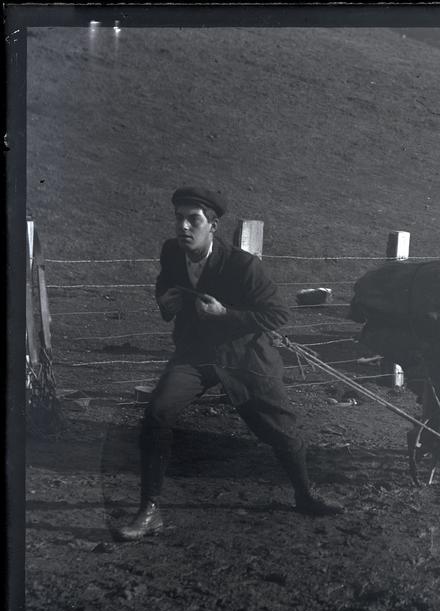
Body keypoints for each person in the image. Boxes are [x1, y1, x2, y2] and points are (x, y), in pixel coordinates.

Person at [112, 186, 340, 542]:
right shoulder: (172, 252)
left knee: (282, 431)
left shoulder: (242, 265)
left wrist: (225, 314)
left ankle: (305, 494)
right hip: (195, 355)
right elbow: (165, 284)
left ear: (213, 226)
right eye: (179, 218)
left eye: (194, 220)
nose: (183, 227)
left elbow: (277, 313)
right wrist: (165, 301)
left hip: (245, 357)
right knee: (157, 412)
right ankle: (150, 511)